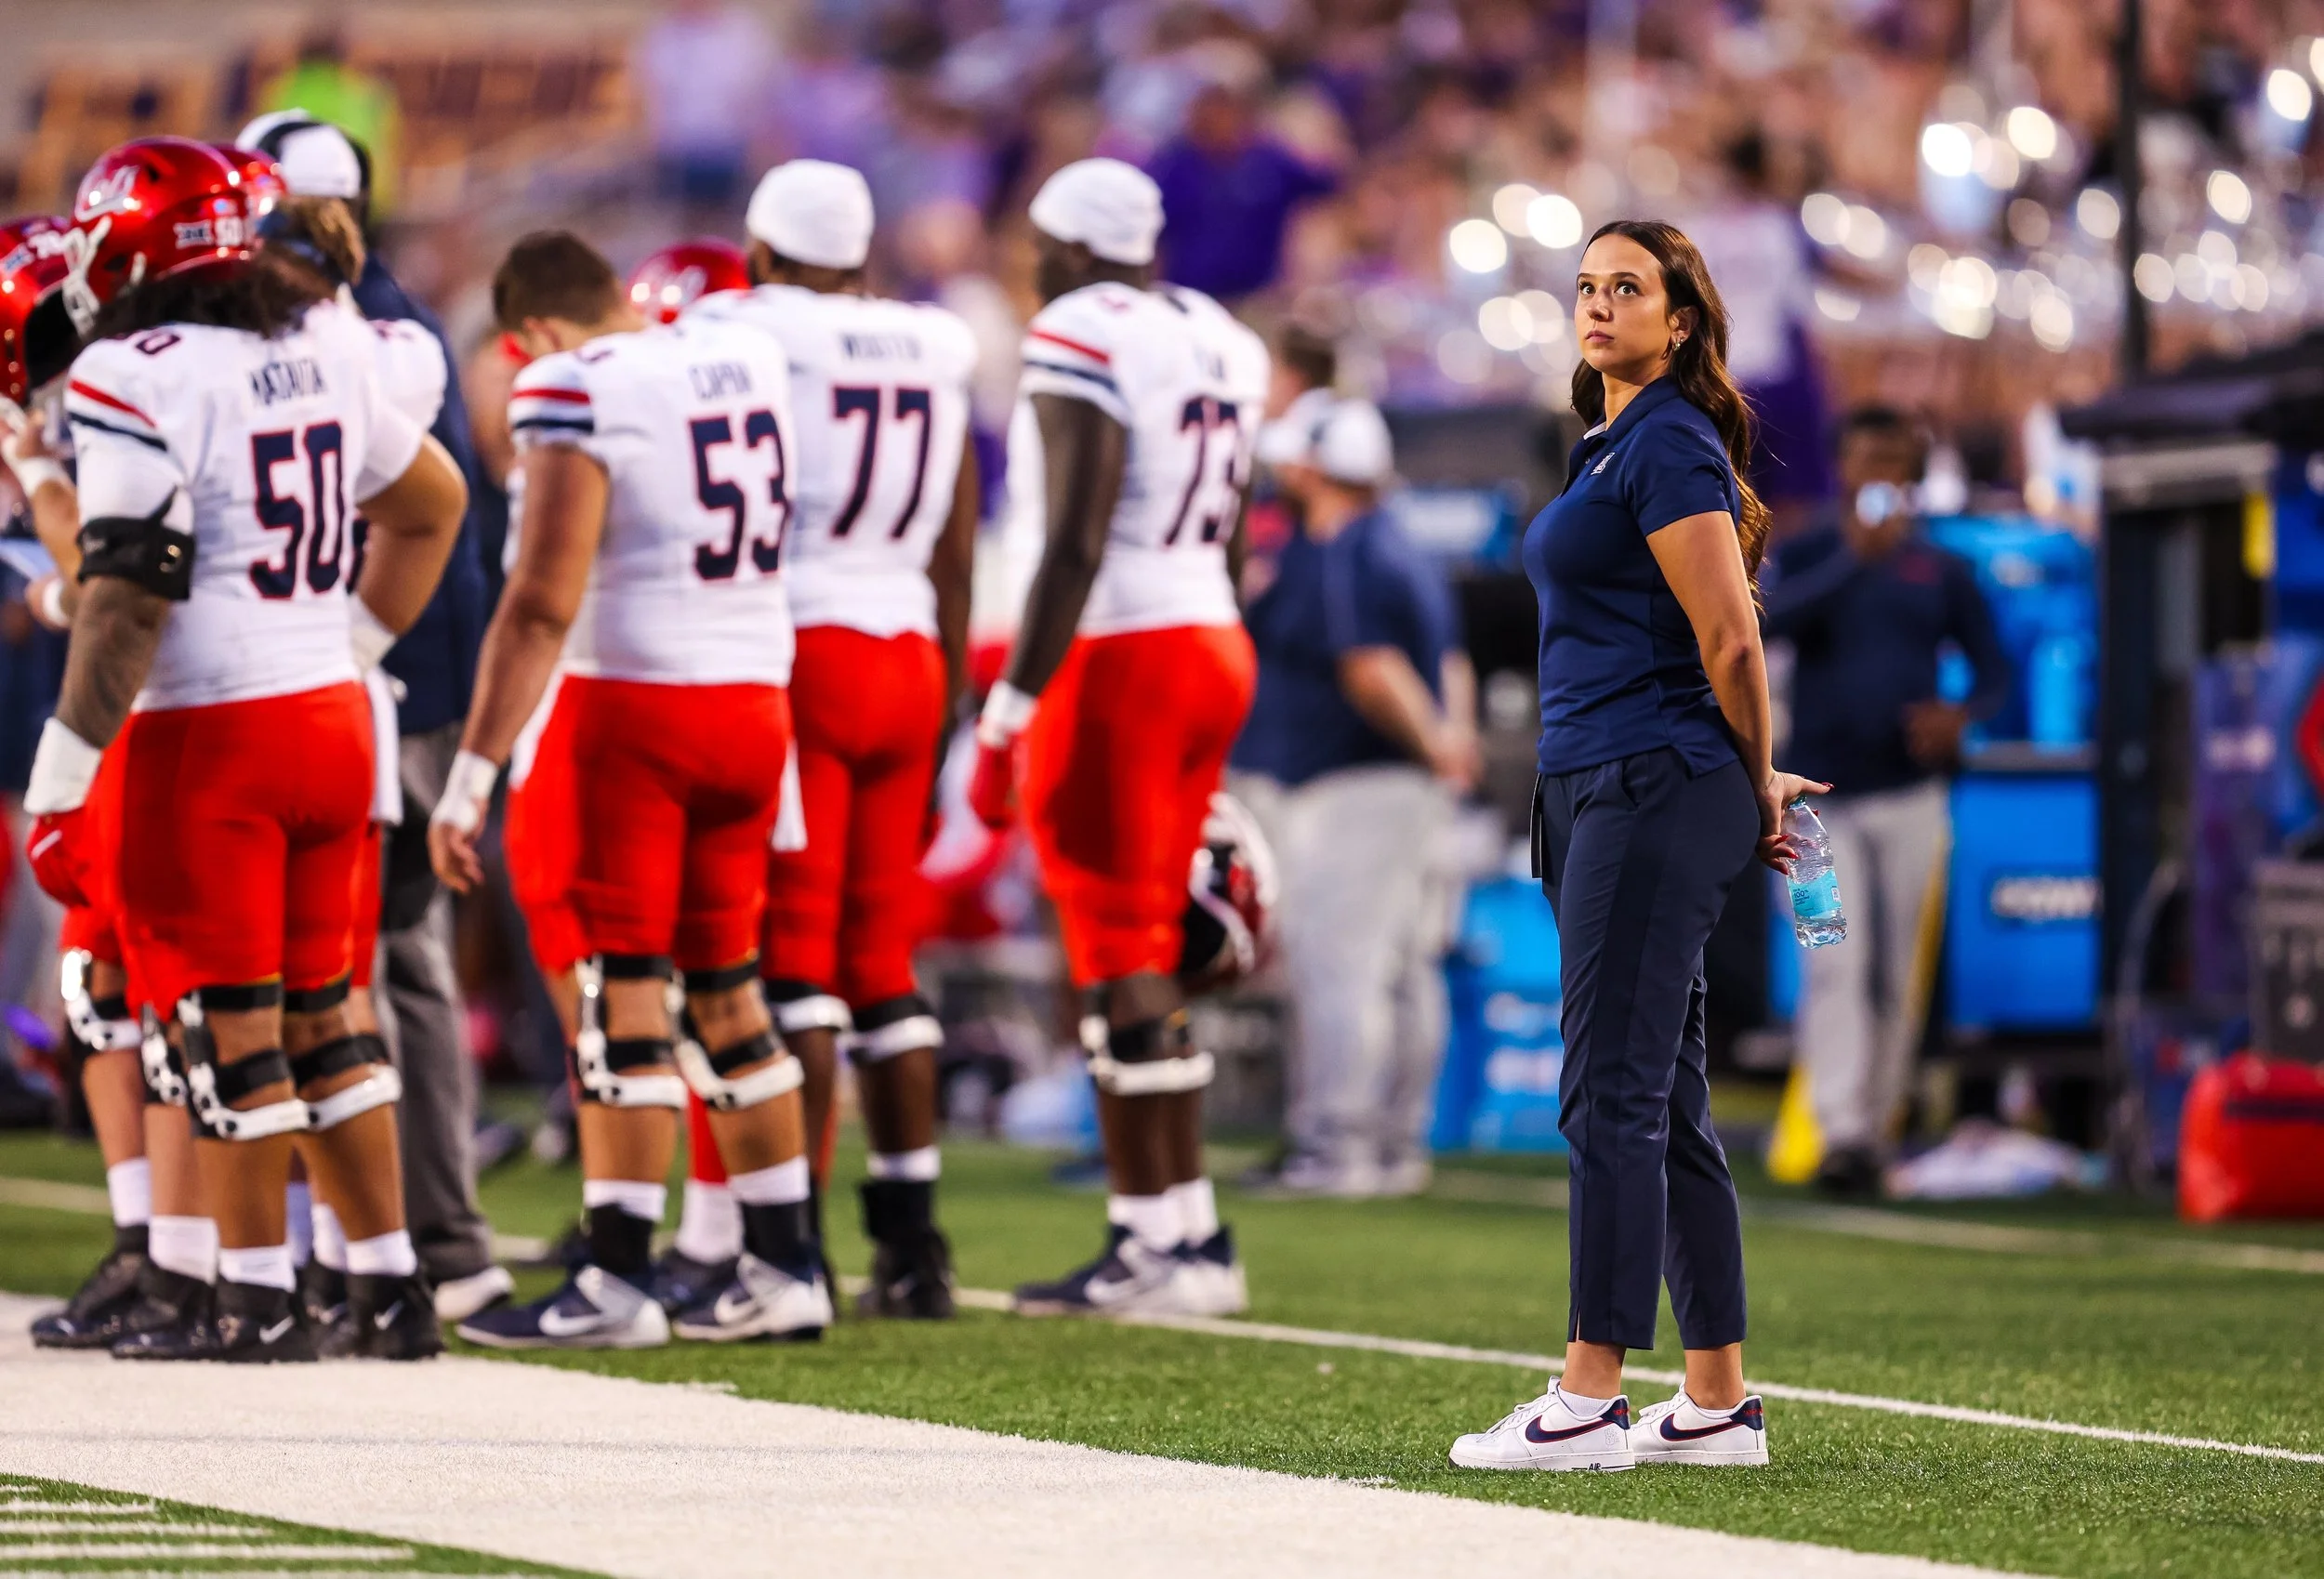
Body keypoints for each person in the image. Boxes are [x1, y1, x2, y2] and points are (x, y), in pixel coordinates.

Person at [30, 136, 466, 1362]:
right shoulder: (321, 334)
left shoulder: (136, 369)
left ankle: (258, 1296)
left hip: (213, 733)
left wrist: (63, 776)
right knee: (331, 1015)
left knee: (228, 1031)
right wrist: (353, 634)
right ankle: (386, 1285)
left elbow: (125, 590)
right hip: (331, 717)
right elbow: (430, 504)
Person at [1449, 219, 1823, 1471]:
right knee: (1660, 1095)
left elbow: (1732, 638)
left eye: (1630, 288)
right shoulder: (1618, 441)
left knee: (1607, 1086)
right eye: (1588, 286)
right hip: (1612, 782)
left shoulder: (1665, 438)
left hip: (1651, 779)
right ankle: (1714, 1399)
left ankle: (1592, 1394)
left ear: (1683, 319)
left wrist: (1755, 776)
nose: (1600, 305)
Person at [430, 230, 826, 1349]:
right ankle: (785, 1260)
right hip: (752, 703)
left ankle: (615, 1279)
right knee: (730, 991)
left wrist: (472, 776)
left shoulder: (573, 381)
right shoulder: (739, 352)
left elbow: (543, 599)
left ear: (531, 335)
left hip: (637, 709)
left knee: (622, 999)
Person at [966, 158, 1270, 1318]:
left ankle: (1157, 1238)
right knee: (1140, 937)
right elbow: (1232, 530)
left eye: (1041, 242)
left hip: (1123, 651)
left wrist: (1010, 704)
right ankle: (1187, 1233)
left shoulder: (1082, 326)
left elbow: (1074, 538)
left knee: (1114, 944)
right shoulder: (1217, 333)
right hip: (1207, 634)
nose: (1031, 265)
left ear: (1074, 247)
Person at [685, 160, 980, 1319]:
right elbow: (955, 534)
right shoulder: (934, 342)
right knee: (884, 964)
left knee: (793, 965)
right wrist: (952, 682)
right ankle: (911, 1240)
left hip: (800, 645)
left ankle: (787, 1238)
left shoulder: (745, 323)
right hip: (907, 645)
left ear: (761, 253)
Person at [234, 112, 508, 1324]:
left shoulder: (354, 338)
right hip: (393, 672)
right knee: (369, 966)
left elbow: (432, 521)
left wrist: (356, 653)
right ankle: (370, 1240)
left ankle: (421, 1238)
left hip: (372, 678)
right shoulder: (393, 323)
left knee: (375, 965)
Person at [1762, 407, 2011, 1196]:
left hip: (1910, 798)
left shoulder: (1942, 569)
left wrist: (1958, 715)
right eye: (1868, 457)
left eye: (1896, 461)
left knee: (1896, 971)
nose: (1881, 474)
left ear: (1911, 473)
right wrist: (1853, 562)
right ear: (1843, 465)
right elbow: (1769, 624)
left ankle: (1875, 1129)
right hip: (1808, 806)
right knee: (1833, 958)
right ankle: (1840, 1130)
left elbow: (1996, 671)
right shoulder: (1804, 552)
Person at [1233, 398, 1474, 1199]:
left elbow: (1372, 667)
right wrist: (1449, 742)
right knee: (1403, 967)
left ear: (1315, 466)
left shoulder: (1343, 548)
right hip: (1398, 786)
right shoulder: (1400, 542)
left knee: (1340, 965)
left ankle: (1338, 1144)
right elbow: (1451, 657)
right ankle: (1395, 1141)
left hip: (1355, 784)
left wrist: (1434, 741)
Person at [1144, 73, 1338, 303]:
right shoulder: (1174, 163)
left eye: (1225, 108)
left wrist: (1316, 134)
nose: (1216, 118)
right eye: (1208, 108)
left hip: (1257, 296)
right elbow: (1151, 224)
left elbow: (1328, 184)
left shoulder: (1271, 158)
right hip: (1189, 296)